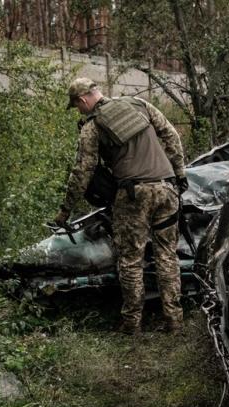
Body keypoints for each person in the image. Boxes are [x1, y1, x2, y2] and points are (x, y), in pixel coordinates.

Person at [55, 77, 188, 334]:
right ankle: (175, 321)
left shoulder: (92, 126)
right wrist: (179, 174)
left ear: (83, 100)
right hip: (166, 189)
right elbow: (171, 135)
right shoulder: (139, 104)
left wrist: (65, 210)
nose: (79, 111)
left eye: (77, 107)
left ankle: (131, 324)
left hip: (133, 195)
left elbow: (83, 171)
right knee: (167, 256)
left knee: (130, 259)